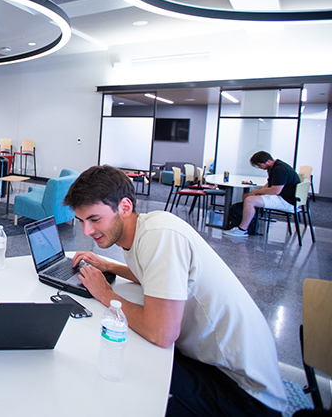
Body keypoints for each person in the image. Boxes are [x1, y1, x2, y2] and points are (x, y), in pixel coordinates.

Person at [64, 166, 286, 417]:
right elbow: (153, 277)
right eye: (81, 221)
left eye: (94, 219)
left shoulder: (159, 236)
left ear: (124, 207)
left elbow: (161, 333)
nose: (86, 232)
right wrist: (108, 265)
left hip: (245, 394)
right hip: (218, 365)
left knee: (127, 386)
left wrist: (105, 294)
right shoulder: (146, 228)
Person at [223, 151, 301, 237]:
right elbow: (269, 184)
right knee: (247, 196)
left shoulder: (279, 169)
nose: (260, 168)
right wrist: (257, 193)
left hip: (286, 201)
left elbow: (275, 191)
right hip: (285, 197)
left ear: (268, 161)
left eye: (260, 165)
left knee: (249, 200)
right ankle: (249, 224)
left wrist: (256, 192)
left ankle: (242, 230)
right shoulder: (274, 167)